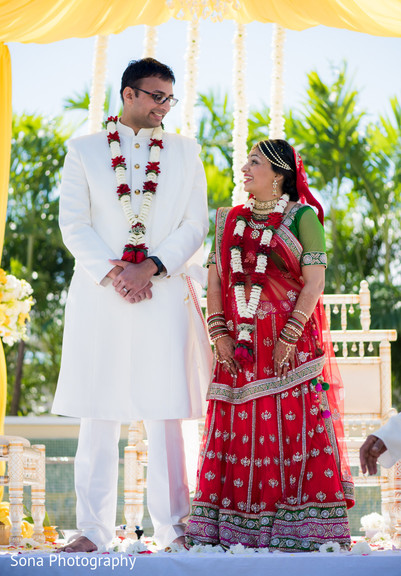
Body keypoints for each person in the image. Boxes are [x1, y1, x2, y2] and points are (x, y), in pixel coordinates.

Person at [52, 58, 212, 552]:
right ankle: (92, 532)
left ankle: (173, 528)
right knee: (98, 411)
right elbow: (74, 222)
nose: (165, 107)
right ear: (128, 94)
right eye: (157, 97)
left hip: (162, 293)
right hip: (102, 295)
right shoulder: (84, 151)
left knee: (165, 410)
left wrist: (153, 266)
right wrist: (116, 271)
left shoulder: (187, 152)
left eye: (170, 98)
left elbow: (195, 224)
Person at [185, 139, 354, 551]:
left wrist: (290, 334)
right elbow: (215, 282)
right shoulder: (228, 220)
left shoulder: (304, 219)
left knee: (298, 425)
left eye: (254, 162)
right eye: (245, 162)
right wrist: (219, 333)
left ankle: (302, 529)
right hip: (239, 347)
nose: (244, 168)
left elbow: (315, 283)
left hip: (289, 345)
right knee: (239, 426)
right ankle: (233, 530)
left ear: (279, 173)